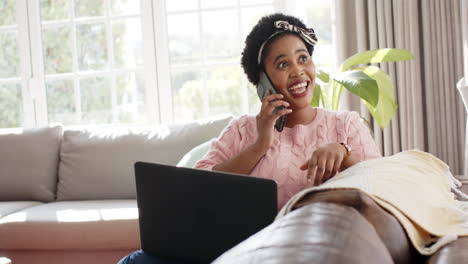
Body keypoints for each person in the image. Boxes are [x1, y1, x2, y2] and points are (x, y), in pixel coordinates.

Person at [118, 13, 381, 264]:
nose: (298, 71)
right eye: (282, 64)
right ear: (262, 82)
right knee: (138, 260)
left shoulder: (345, 125)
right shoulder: (242, 129)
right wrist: (260, 145)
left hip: (309, 250)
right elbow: (200, 184)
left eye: (303, 59)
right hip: (234, 249)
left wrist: (343, 152)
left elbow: (386, 188)